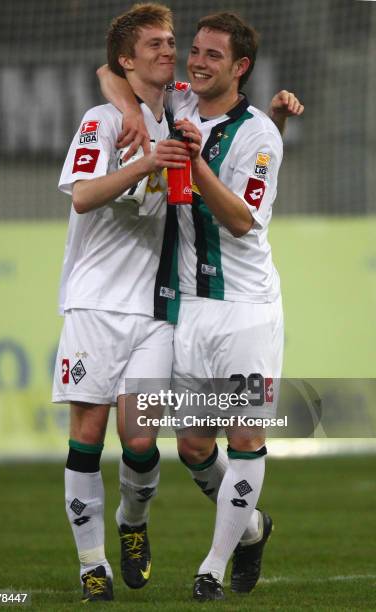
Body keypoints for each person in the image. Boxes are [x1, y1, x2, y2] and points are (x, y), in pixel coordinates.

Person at [98, 9, 304, 602]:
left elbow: (242, 220)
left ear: (240, 67)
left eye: (213, 55)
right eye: (195, 50)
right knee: (192, 445)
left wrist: (195, 159)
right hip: (190, 306)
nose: (195, 61)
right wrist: (139, 111)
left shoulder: (260, 133)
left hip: (246, 309)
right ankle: (254, 528)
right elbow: (109, 72)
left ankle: (212, 566)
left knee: (244, 438)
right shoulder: (179, 101)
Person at [51, 4, 192, 602]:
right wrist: (143, 158)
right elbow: (83, 196)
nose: (170, 50)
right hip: (95, 303)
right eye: (156, 44)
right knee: (87, 433)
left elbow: (221, 99)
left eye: (171, 41)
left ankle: (133, 526)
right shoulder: (102, 120)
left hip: (157, 307)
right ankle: (91, 565)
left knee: (140, 440)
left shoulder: (178, 107)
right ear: (128, 60)